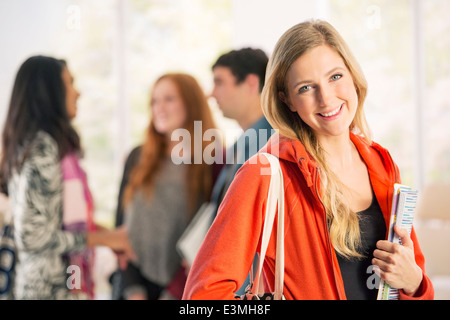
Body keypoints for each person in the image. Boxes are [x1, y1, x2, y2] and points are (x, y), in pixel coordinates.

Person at [182, 20, 435, 300]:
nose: (326, 98)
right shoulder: (264, 175)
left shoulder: (383, 164)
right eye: (305, 88)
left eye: (335, 76)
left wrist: (413, 283)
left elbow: (411, 277)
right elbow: (203, 296)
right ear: (287, 100)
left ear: (353, 76)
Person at [0, 55, 136, 300]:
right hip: (48, 291)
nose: (77, 93)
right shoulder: (42, 149)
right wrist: (103, 238)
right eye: (70, 83)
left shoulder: (45, 147)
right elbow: (32, 237)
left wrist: (109, 236)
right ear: (49, 93)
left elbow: (54, 220)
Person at [112, 73, 219, 300]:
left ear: (191, 103)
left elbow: (210, 235)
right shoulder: (137, 157)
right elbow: (120, 227)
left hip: (183, 289)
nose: (159, 107)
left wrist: (174, 293)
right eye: (154, 101)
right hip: (132, 286)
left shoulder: (213, 162)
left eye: (169, 99)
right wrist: (134, 291)